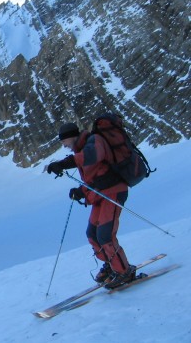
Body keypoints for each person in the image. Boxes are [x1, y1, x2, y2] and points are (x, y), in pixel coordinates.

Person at [46, 122, 136, 288]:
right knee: (92, 234)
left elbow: (92, 157)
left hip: (113, 193)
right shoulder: (81, 150)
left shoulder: (94, 141)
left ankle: (124, 272)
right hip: (100, 195)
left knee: (105, 235)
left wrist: (64, 164)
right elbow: (95, 178)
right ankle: (111, 265)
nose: (63, 145)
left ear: (71, 136)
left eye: (63, 141)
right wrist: (81, 191)